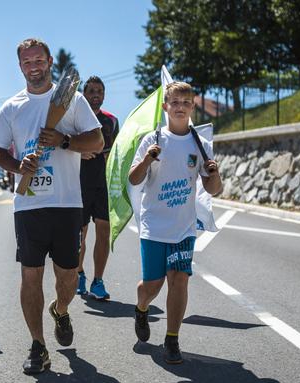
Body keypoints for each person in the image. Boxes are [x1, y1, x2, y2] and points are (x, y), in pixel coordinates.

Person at [0, 38, 104, 374]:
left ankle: (62, 309)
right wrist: (17, 166)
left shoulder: (73, 100)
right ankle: (38, 345)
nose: (33, 66)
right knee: (30, 276)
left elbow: (96, 140)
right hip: (28, 206)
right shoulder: (11, 107)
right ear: (20, 66)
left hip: (67, 203)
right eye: (27, 62)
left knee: (68, 276)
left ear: (50, 61)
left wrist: (65, 141)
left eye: (38, 60)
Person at [128, 81, 222, 364]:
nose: (180, 107)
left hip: (184, 228)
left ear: (193, 107)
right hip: (154, 226)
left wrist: (214, 173)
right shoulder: (152, 140)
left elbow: (214, 189)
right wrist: (146, 160)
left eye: (186, 102)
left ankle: (172, 339)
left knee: (179, 280)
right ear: (165, 107)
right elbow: (134, 179)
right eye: (175, 102)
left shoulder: (200, 145)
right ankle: (142, 307)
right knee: (152, 285)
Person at [77, 76, 120, 300]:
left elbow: (118, 152)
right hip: (79, 185)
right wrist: (79, 152)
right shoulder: (74, 119)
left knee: (103, 233)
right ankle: (80, 273)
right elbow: (64, 147)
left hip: (103, 186)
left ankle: (98, 281)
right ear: (84, 95)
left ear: (103, 95)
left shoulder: (112, 121)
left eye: (99, 91)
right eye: (91, 91)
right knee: (80, 237)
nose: (95, 95)